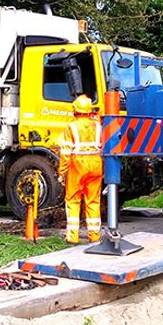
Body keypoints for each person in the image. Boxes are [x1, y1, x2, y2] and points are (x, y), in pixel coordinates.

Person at [58, 95, 104, 244]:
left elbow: (65, 152)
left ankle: (72, 237)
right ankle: (94, 236)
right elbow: (102, 146)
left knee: (73, 199)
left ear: (75, 110)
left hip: (78, 164)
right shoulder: (98, 126)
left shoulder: (71, 127)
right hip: (96, 163)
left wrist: (62, 172)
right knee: (93, 200)